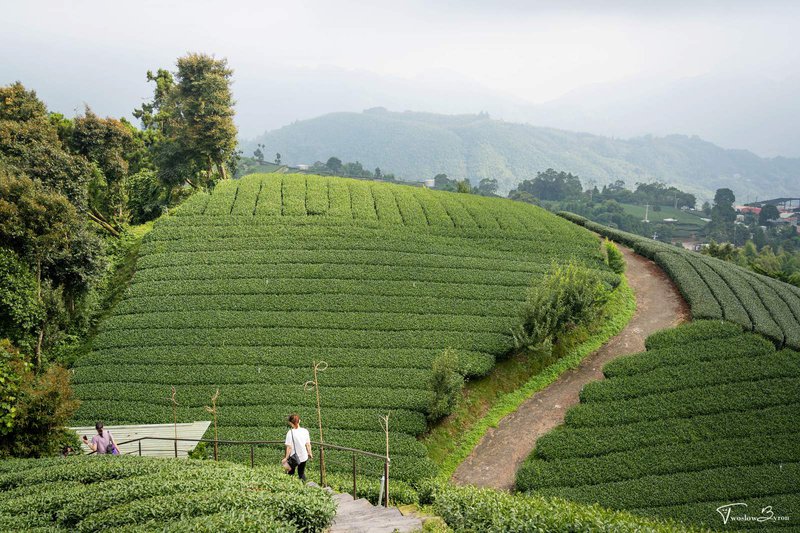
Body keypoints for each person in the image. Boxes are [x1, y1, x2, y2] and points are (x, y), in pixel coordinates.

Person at [283, 413, 312, 481]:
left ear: (290, 423)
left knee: (290, 473)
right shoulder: (305, 431)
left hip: (293, 457)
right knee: (301, 473)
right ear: (299, 421)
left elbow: (289, 447)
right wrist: (310, 453)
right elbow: (308, 444)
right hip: (303, 456)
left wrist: (286, 458)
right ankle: (304, 487)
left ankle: (291, 487)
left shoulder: (290, 433)